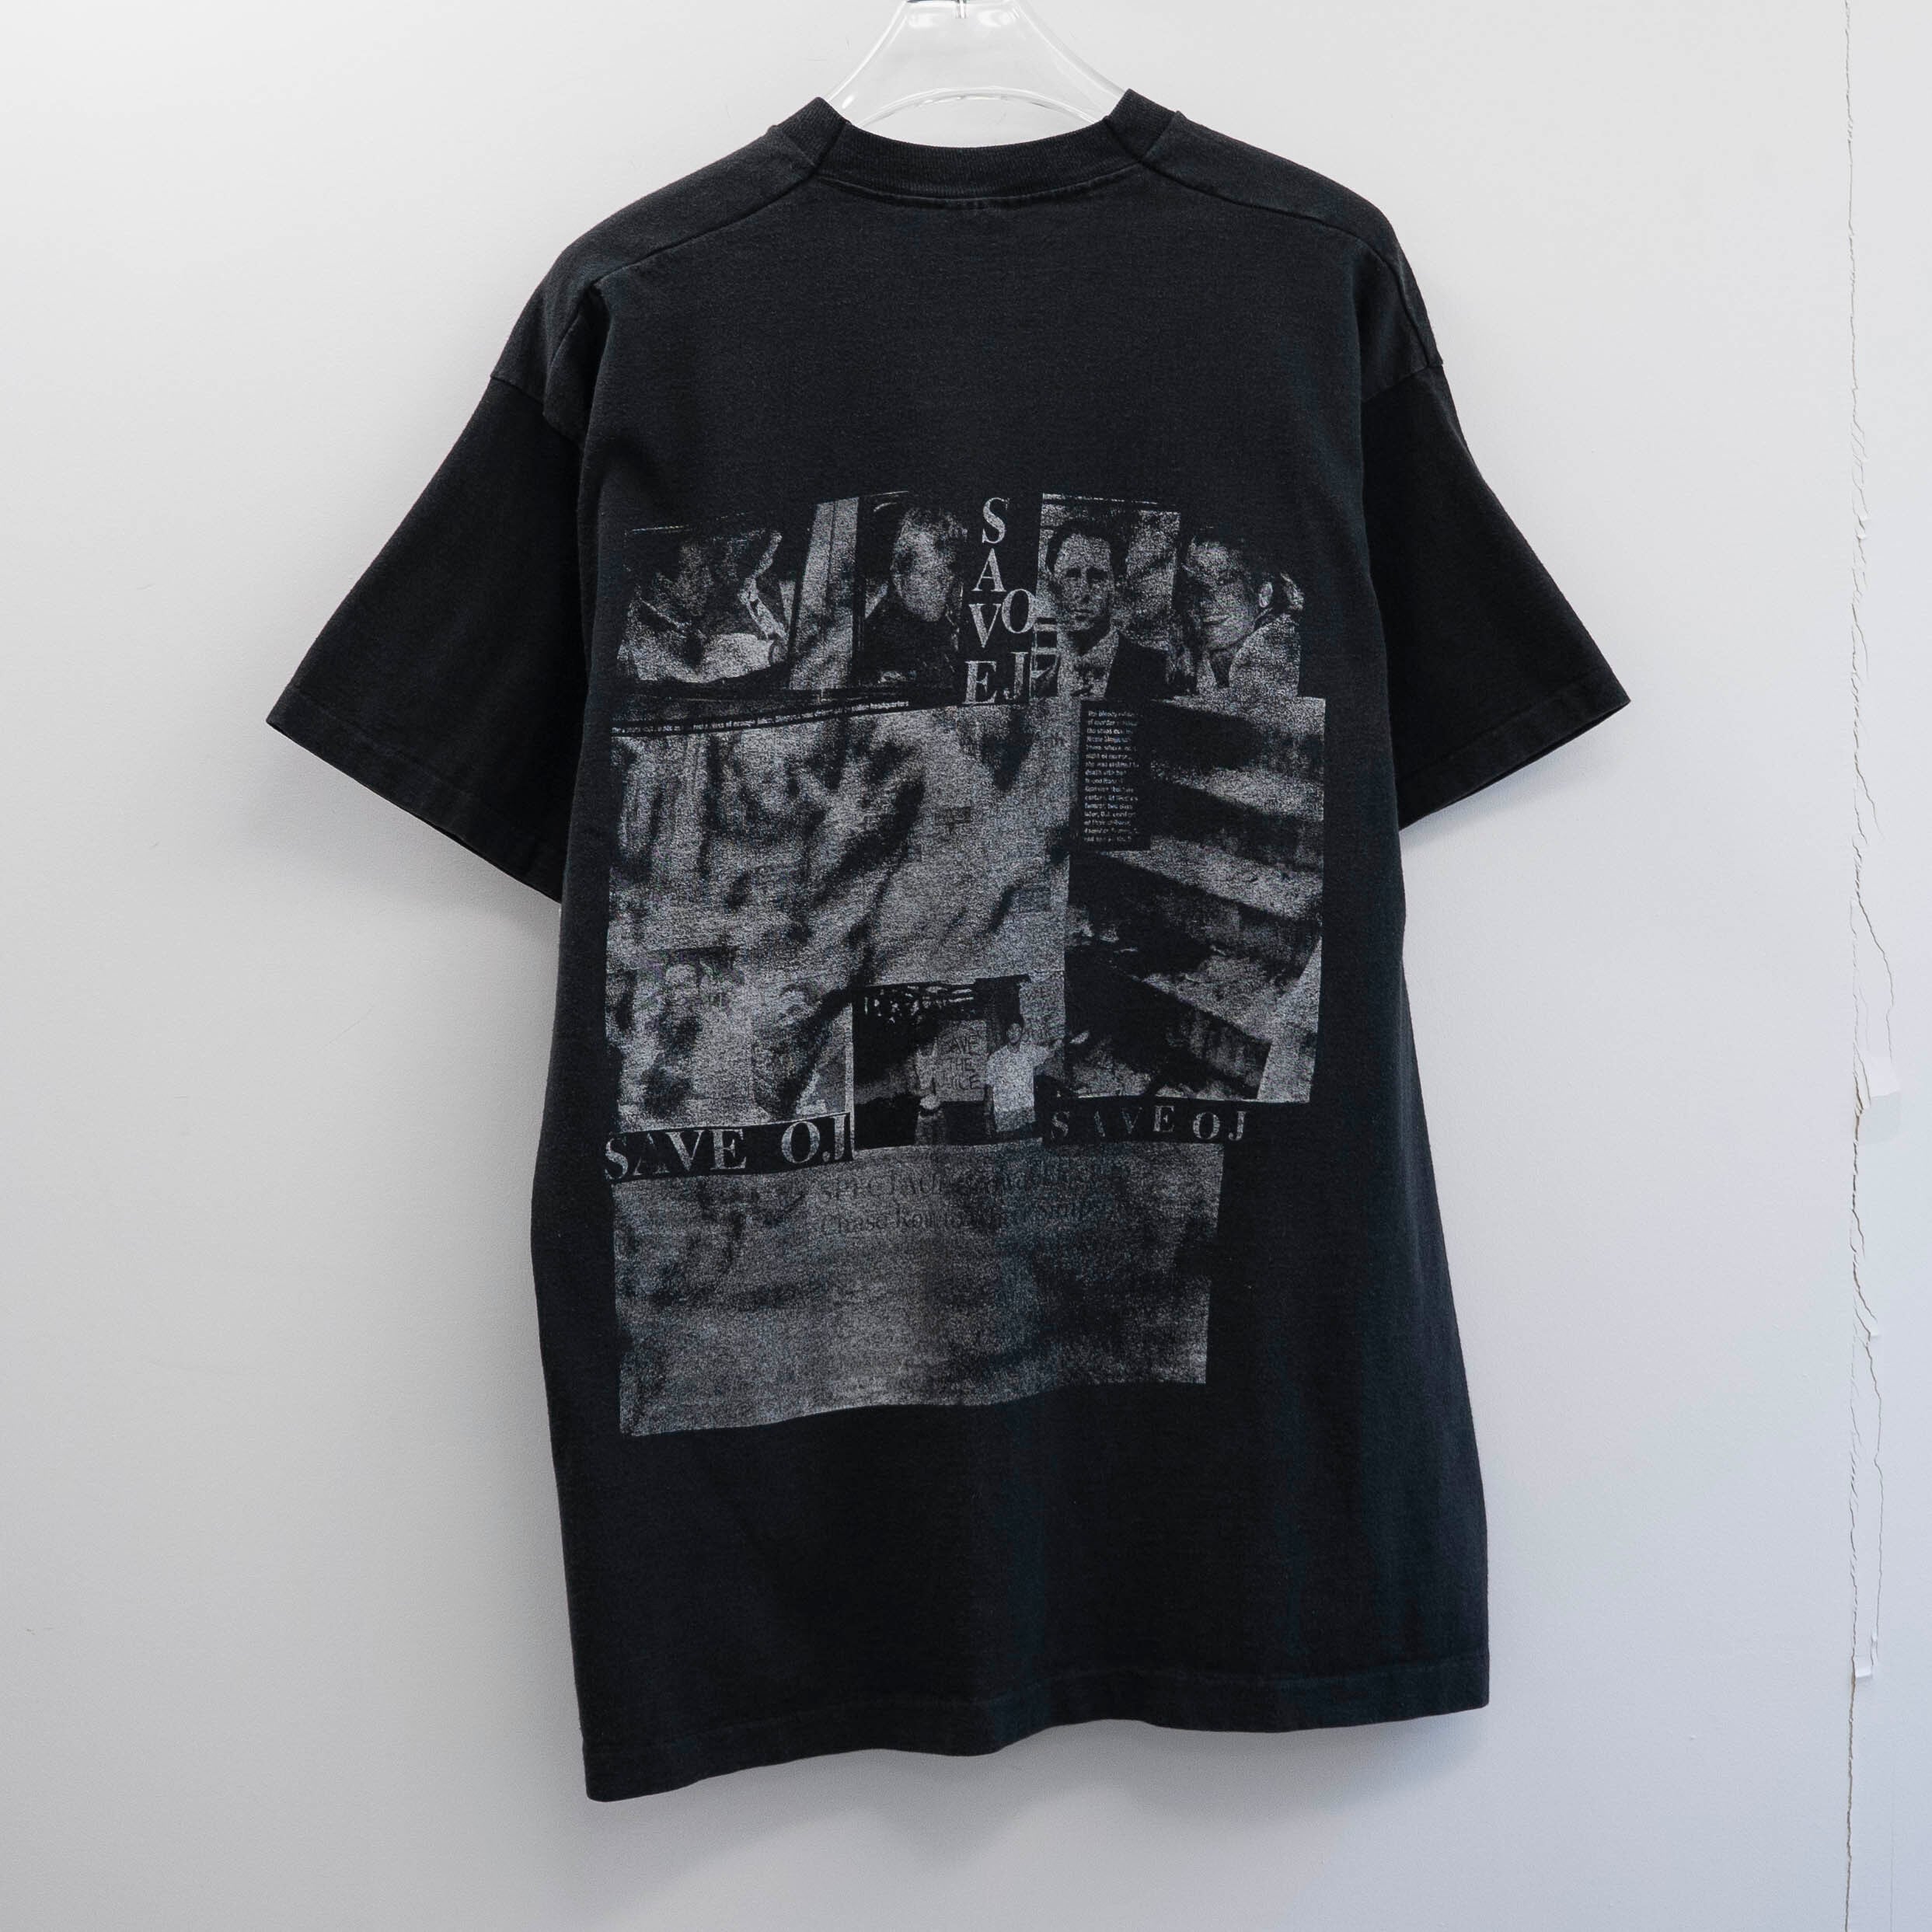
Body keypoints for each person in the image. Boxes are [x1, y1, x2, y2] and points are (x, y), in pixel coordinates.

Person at [619, 527, 789, 687]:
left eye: (707, 570)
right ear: (662, 582)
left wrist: (772, 652)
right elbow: (700, 670)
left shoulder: (686, 621)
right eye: (695, 572)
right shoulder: (636, 640)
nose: (707, 581)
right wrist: (771, 653)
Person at [1042, 516, 1176, 703]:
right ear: (1054, 584)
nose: (1083, 592)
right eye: (1071, 575)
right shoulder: (1040, 685)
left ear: (1117, 585)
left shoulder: (1158, 670)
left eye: (1097, 577)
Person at [1176, 530, 1303, 710]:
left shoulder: (1280, 658)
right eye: (1197, 586)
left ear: (1264, 593)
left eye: (1223, 582)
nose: (1204, 601)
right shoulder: (1201, 658)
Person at [855, 504, 968, 691]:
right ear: (898, 577)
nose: (941, 585)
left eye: (947, 572)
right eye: (926, 574)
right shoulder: (880, 644)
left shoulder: (946, 624)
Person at [984, 1017, 1049, 1139]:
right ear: (1007, 1032)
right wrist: (987, 1115)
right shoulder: (996, 1058)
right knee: (1008, 1145)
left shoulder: (1030, 1052)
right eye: (1011, 1030)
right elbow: (989, 1088)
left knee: (1027, 1145)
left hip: (1026, 1112)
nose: (1014, 1033)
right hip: (1005, 1114)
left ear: (1022, 1031)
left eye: (1017, 1029)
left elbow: (1050, 1051)